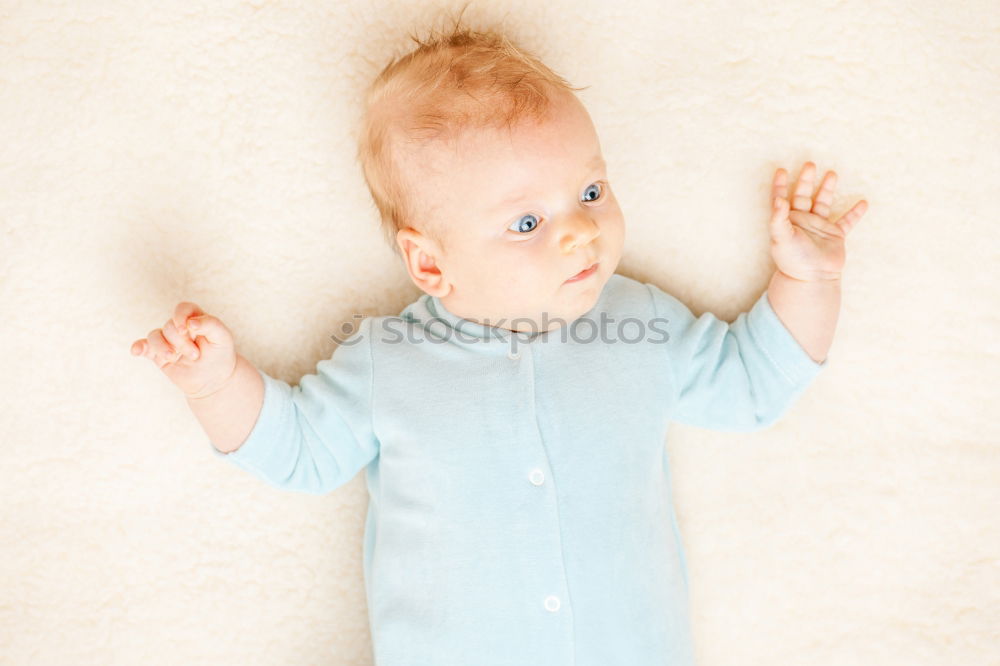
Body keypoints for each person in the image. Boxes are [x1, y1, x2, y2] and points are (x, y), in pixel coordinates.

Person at [129, 19, 867, 666]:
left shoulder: (638, 324)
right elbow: (301, 451)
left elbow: (752, 385)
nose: (580, 230)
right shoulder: (388, 362)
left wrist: (807, 280)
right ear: (430, 264)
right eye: (526, 223)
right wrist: (218, 384)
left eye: (590, 192)